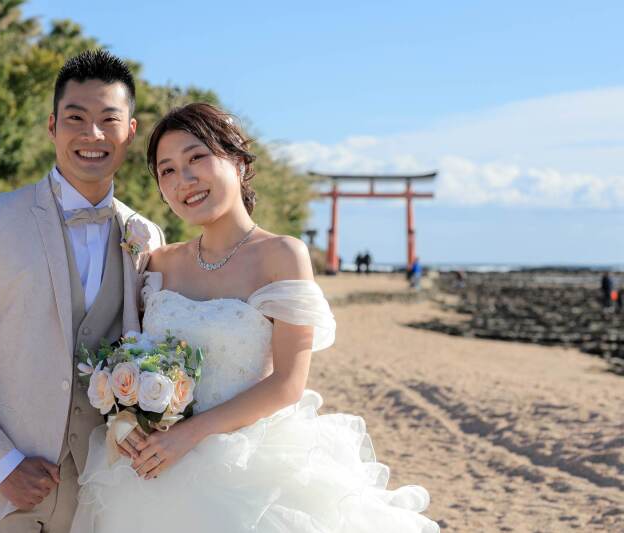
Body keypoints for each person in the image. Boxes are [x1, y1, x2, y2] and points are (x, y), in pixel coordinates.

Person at [70, 103, 439, 532]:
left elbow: (288, 383)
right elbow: (130, 352)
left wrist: (189, 436)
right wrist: (126, 418)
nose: (183, 181)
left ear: (239, 163)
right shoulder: (158, 263)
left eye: (196, 159)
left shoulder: (281, 255)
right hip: (154, 467)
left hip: (246, 463)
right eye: (166, 171)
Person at [0, 50, 164, 532]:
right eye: (76, 118)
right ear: (52, 126)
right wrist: (1, 464)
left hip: (103, 492)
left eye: (108, 120)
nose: (92, 135)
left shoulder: (145, 235)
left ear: (130, 132)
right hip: (2, 494)